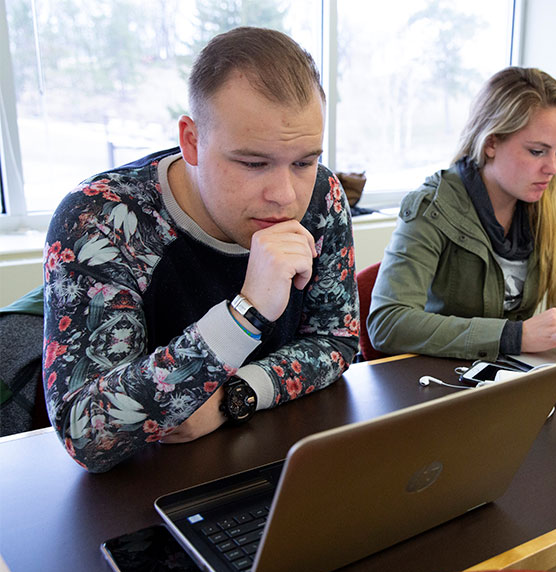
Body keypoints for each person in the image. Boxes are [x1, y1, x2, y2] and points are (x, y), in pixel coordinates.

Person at [42, 27, 359, 473]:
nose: (286, 196)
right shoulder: (102, 219)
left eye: (304, 161)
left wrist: (237, 396)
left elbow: (336, 340)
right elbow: (87, 432)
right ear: (191, 141)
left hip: (279, 467)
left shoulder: (322, 194)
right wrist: (244, 315)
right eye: (253, 163)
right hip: (142, 494)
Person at [367, 67, 556, 361]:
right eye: (537, 151)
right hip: (440, 380)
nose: (552, 168)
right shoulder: (432, 207)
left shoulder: (547, 204)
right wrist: (513, 336)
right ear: (491, 143)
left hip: (511, 377)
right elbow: (388, 322)